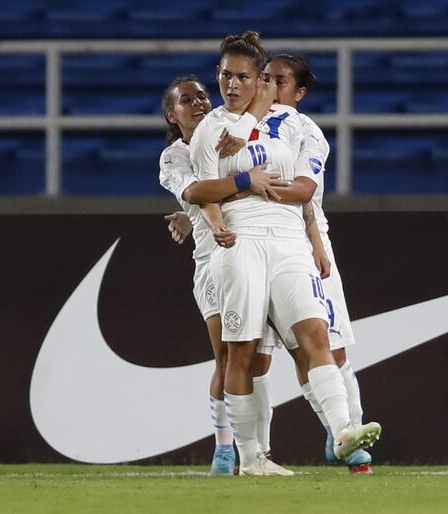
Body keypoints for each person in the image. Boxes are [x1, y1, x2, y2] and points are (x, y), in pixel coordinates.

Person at [189, 31, 381, 476]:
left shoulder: (293, 124)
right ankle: (251, 457)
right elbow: (199, 191)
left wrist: (309, 234)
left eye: (242, 77)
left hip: (290, 240)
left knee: (316, 335)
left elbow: (304, 190)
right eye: (226, 75)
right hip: (241, 242)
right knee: (243, 351)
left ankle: (343, 431)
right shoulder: (209, 129)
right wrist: (243, 184)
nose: (232, 85)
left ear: (259, 80)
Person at [157, 74, 287, 475]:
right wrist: (245, 183)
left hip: (257, 253)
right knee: (227, 356)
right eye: (186, 100)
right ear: (171, 114)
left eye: (202, 96)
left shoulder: (229, 135)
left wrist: (196, 212)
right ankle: (224, 449)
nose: (199, 103)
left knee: (258, 360)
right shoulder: (175, 156)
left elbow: (265, 92)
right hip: (214, 260)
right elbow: (198, 192)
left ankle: (260, 450)